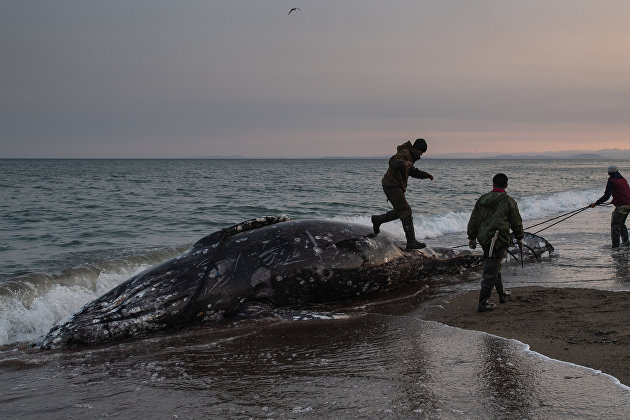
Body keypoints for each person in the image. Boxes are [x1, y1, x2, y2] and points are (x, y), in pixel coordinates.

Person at [467, 173, 524, 312]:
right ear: (506, 185)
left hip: (484, 238)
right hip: (498, 239)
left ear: (493, 184)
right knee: (491, 270)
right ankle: (483, 303)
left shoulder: (483, 198)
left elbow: (474, 218)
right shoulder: (508, 201)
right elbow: (516, 221)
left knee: (495, 264)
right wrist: (520, 237)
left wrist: (472, 237)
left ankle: (502, 294)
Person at [371, 138, 433, 250]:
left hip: (393, 186)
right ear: (417, 149)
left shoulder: (410, 156)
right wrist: (404, 163)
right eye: (421, 152)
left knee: (400, 211)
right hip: (391, 186)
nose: (421, 155)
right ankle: (411, 242)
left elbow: (412, 171)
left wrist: (426, 175)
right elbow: (392, 161)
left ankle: (378, 219)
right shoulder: (405, 153)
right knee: (406, 211)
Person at [589, 165, 630, 248]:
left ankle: (615, 247)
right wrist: (615, 200)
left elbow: (606, 196)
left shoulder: (611, 180)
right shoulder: (623, 179)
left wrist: (596, 203)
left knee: (615, 224)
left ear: (609, 173)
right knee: (621, 224)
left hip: (622, 205)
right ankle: (626, 243)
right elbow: (625, 191)